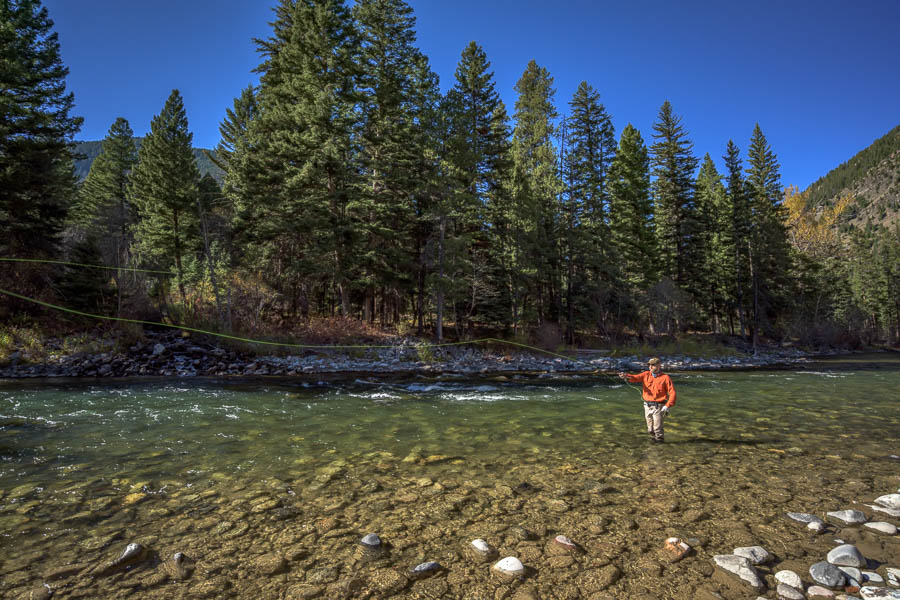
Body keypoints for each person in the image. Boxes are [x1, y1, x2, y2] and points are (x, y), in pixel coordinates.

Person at [618, 357, 676, 443]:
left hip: (659, 407)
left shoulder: (665, 378)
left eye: (653, 365)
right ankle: (654, 444)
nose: (650, 367)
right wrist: (626, 376)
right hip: (647, 406)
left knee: (657, 429)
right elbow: (635, 378)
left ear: (659, 365)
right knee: (650, 430)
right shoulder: (645, 374)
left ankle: (660, 446)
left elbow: (672, 393)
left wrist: (668, 405)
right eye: (649, 365)